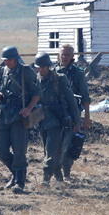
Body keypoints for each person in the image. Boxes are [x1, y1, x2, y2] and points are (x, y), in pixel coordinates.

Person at [0, 46, 40, 192]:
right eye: (5, 60)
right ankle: (16, 173)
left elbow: (37, 93)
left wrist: (29, 109)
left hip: (19, 116)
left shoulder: (26, 72)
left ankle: (20, 181)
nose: (7, 62)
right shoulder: (1, 71)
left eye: (10, 60)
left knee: (19, 151)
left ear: (16, 59)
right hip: (3, 114)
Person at [35, 52, 81, 185]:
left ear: (48, 66)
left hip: (57, 121)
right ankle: (59, 179)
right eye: (39, 67)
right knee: (49, 151)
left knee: (51, 151)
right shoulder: (36, 80)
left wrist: (76, 121)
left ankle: (45, 180)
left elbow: (71, 101)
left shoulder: (59, 79)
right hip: (42, 121)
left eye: (44, 67)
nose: (41, 69)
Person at [55, 44, 91, 180]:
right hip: (55, 113)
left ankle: (67, 174)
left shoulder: (77, 73)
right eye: (62, 54)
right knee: (55, 145)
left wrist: (86, 117)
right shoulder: (53, 70)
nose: (64, 57)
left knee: (69, 145)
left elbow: (85, 97)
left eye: (67, 55)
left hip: (72, 113)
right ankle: (56, 173)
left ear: (72, 57)